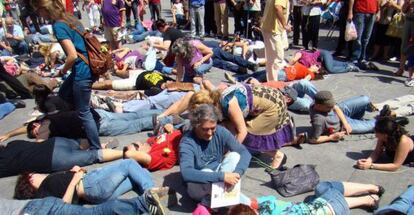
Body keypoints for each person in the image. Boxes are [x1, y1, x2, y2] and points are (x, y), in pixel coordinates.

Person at [161, 84, 302, 169]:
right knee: (229, 124)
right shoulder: (214, 96)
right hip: (265, 98)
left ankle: (278, 155)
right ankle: (254, 150)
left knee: (249, 135)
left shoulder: (228, 103)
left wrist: (227, 154)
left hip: (273, 106)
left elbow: (242, 132)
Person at [32, 0, 102, 150]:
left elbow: (72, 56)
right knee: (64, 93)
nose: (38, 15)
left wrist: (62, 71)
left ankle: (96, 147)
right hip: (88, 66)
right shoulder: (70, 18)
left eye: (38, 11)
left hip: (82, 71)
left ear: (45, 9)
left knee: (84, 111)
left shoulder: (58, 25)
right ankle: (76, 128)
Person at [179, 104, 252, 207]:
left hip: (218, 179)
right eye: (205, 129)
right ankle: (248, 205)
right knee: (206, 171)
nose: (209, 133)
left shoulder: (220, 131)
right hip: (198, 185)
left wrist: (236, 174)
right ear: (196, 126)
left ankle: (212, 201)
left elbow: (244, 152)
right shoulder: (187, 142)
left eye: (212, 128)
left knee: (235, 156)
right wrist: (222, 177)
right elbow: (186, 173)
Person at [14, 159, 173, 205]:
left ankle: (148, 200)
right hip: (91, 184)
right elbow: (63, 205)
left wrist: (73, 172)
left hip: (96, 195)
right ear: (30, 181)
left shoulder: (48, 187)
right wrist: (75, 179)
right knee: (129, 163)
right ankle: (152, 193)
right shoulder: (44, 191)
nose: (36, 173)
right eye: (32, 174)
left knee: (140, 174)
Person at [233, 181, 385, 214]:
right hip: (331, 205)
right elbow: (261, 201)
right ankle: (372, 189)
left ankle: (369, 199)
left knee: (309, 201)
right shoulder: (268, 206)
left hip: (336, 211)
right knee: (324, 187)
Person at [0, 137, 122, 178]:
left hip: (53, 159)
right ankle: (101, 145)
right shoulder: (13, 143)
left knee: (93, 156)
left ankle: (125, 153)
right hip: (55, 142)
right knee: (79, 144)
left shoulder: (3, 164)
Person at [309, 91, 378, 144]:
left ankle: (372, 108)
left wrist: (345, 123)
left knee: (365, 99)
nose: (331, 108)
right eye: (328, 107)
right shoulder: (318, 121)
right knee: (377, 125)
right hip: (341, 126)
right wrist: (331, 137)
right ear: (318, 106)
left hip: (342, 114)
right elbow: (314, 139)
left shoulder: (315, 103)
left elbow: (336, 107)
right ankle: (383, 118)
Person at [0, 195, 165, 215]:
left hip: (30, 211)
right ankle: (142, 204)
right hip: (37, 205)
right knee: (94, 213)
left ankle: (143, 204)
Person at [261, 0, 291, 81]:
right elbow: (278, 7)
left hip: (270, 28)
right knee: (277, 59)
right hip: (273, 30)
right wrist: (284, 24)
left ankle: (272, 81)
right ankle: (273, 83)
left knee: (272, 59)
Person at [348, 0, 380, 66]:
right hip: (360, 12)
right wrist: (350, 12)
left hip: (372, 13)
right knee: (358, 37)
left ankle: (362, 57)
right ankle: (355, 57)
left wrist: (379, 11)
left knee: (366, 38)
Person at [395, 0, 414, 77]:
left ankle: (412, 74)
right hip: (408, 21)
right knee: (404, 46)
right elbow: (403, 10)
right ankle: (401, 69)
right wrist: (408, 3)